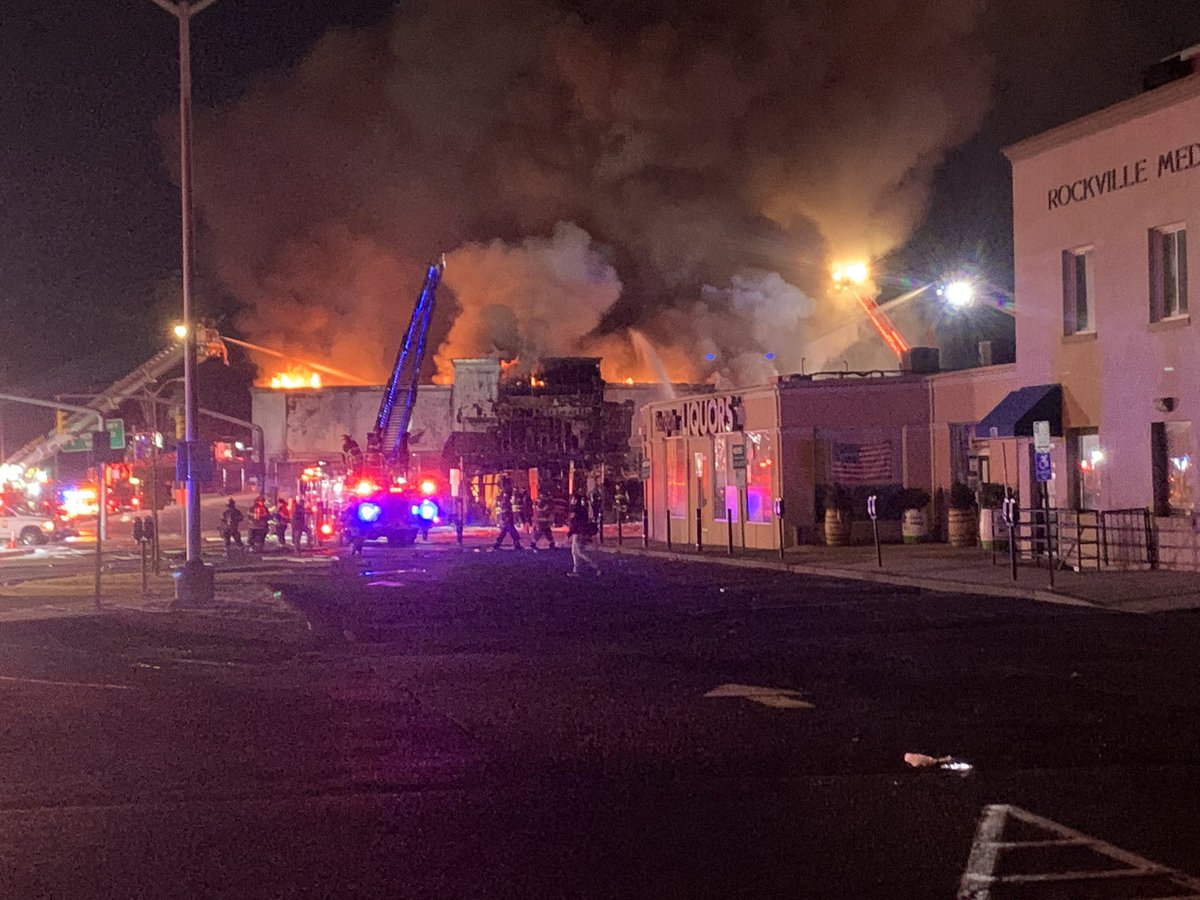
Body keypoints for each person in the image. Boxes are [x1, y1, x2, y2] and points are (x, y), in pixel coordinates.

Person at [568, 492, 600, 577]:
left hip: (578, 533)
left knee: (580, 552)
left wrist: (570, 532)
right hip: (581, 532)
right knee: (574, 552)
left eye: (572, 499)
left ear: (575, 500)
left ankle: (595, 565)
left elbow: (574, 522)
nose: (571, 500)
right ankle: (576, 570)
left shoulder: (575, 509)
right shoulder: (583, 509)